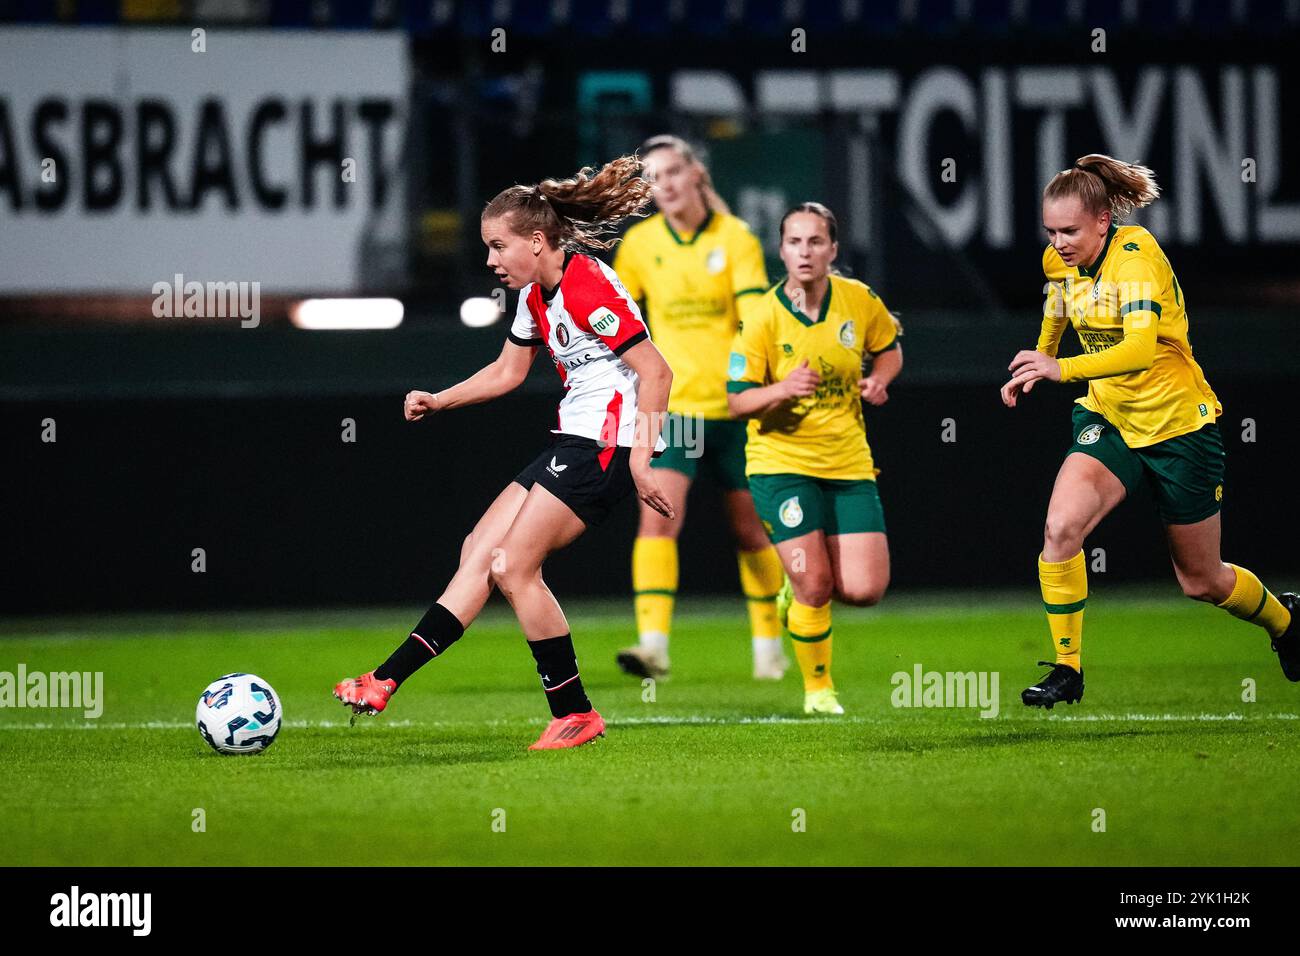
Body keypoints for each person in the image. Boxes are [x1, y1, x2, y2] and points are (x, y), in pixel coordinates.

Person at [333, 155, 676, 750]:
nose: (491, 260)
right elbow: (507, 371)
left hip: (609, 445)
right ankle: (385, 679)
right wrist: (441, 400)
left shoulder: (587, 285)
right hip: (576, 437)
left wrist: (643, 459)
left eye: (498, 246)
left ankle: (575, 714)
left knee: (513, 567)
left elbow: (657, 372)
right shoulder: (535, 297)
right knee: (478, 551)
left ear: (537, 242)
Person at [1002, 153, 1298, 708]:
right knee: (1061, 527)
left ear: (1102, 222)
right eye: (1050, 230)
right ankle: (1067, 669)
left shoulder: (1135, 258)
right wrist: (1036, 363)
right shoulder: (1058, 261)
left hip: (1177, 426)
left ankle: (1287, 621)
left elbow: (1139, 351)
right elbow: (1058, 309)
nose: (1059, 242)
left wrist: (1060, 368)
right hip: (1110, 418)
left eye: (1069, 230)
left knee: (1202, 581)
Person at [611, 135, 788, 681]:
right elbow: (616, 315)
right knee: (657, 521)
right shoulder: (640, 244)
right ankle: (653, 647)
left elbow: (756, 315)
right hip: (677, 412)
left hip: (734, 410)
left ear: (694, 175)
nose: (662, 186)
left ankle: (770, 650)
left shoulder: (733, 237)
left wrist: (762, 383)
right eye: (652, 179)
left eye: (670, 174)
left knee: (752, 533)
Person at [726, 202, 903, 714]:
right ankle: (819, 690)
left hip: (848, 463)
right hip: (781, 464)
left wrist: (880, 379)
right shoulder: (761, 315)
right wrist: (781, 388)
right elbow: (738, 400)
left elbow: (889, 347)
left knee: (866, 590)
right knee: (816, 582)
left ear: (833, 249)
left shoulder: (859, 300)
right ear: (781, 250)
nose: (805, 252)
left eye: (815, 241)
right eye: (795, 242)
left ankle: (792, 594)